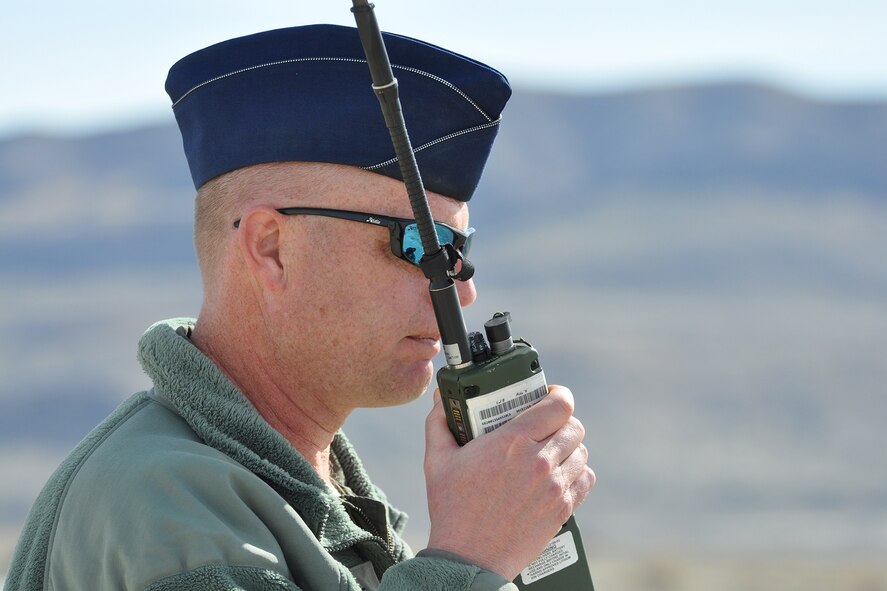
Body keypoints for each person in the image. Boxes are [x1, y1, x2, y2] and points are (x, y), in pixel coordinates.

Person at [4, 24, 594, 591]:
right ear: (271, 249)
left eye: (458, 255)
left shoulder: (294, 495)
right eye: (420, 247)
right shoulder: (167, 512)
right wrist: (469, 558)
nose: (459, 292)